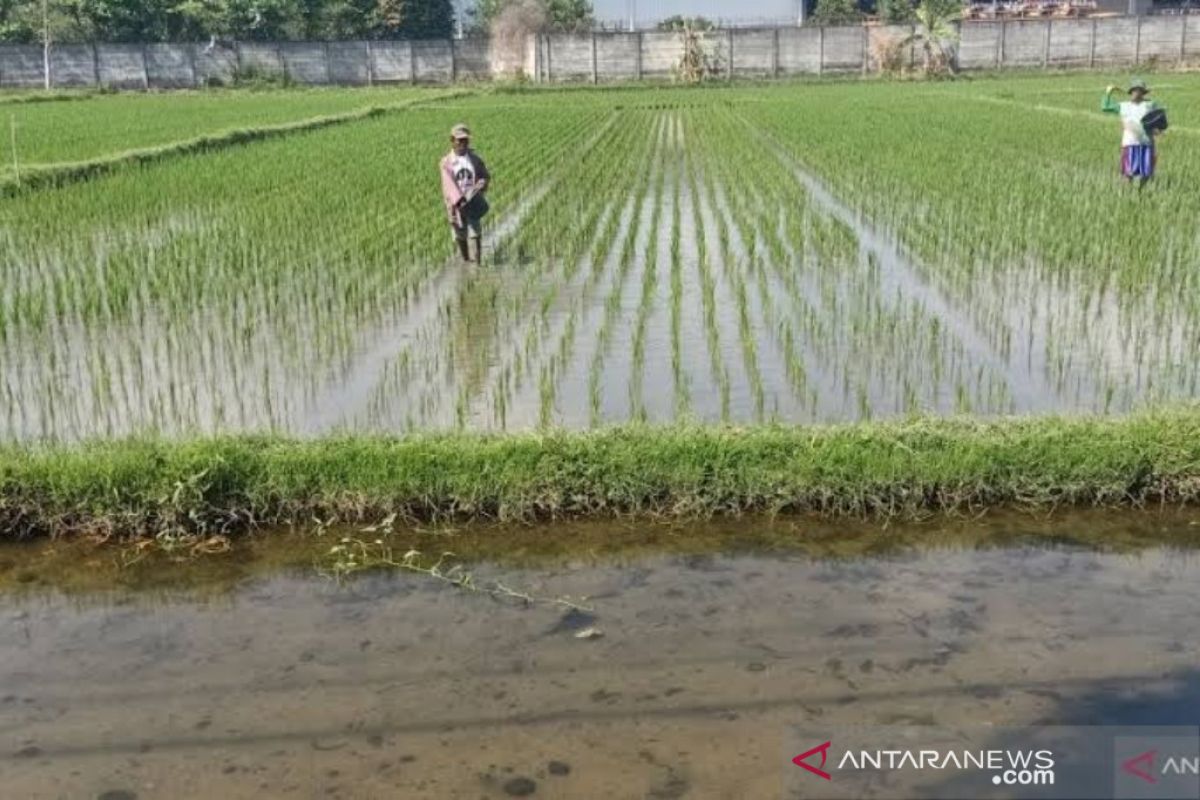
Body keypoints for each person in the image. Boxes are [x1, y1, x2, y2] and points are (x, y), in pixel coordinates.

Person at [440, 123, 491, 263]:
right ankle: (466, 261)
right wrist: (459, 200)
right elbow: (448, 184)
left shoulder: (475, 159)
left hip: (473, 201)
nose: (463, 143)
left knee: (475, 234)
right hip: (456, 205)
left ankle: (478, 264)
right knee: (460, 235)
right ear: (452, 140)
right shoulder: (446, 162)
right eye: (460, 140)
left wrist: (482, 183)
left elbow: (485, 175)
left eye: (466, 140)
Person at [1101, 78, 1163, 189]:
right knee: (1128, 172)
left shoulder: (1150, 105)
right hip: (1130, 143)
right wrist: (1108, 92)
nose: (1136, 92)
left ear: (1143, 92)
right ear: (1130, 92)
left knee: (1147, 172)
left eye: (1139, 90)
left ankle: (1140, 192)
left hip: (1146, 143)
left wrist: (1158, 130)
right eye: (1134, 90)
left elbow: (1160, 119)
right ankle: (1126, 194)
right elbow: (1105, 107)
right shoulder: (1123, 106)